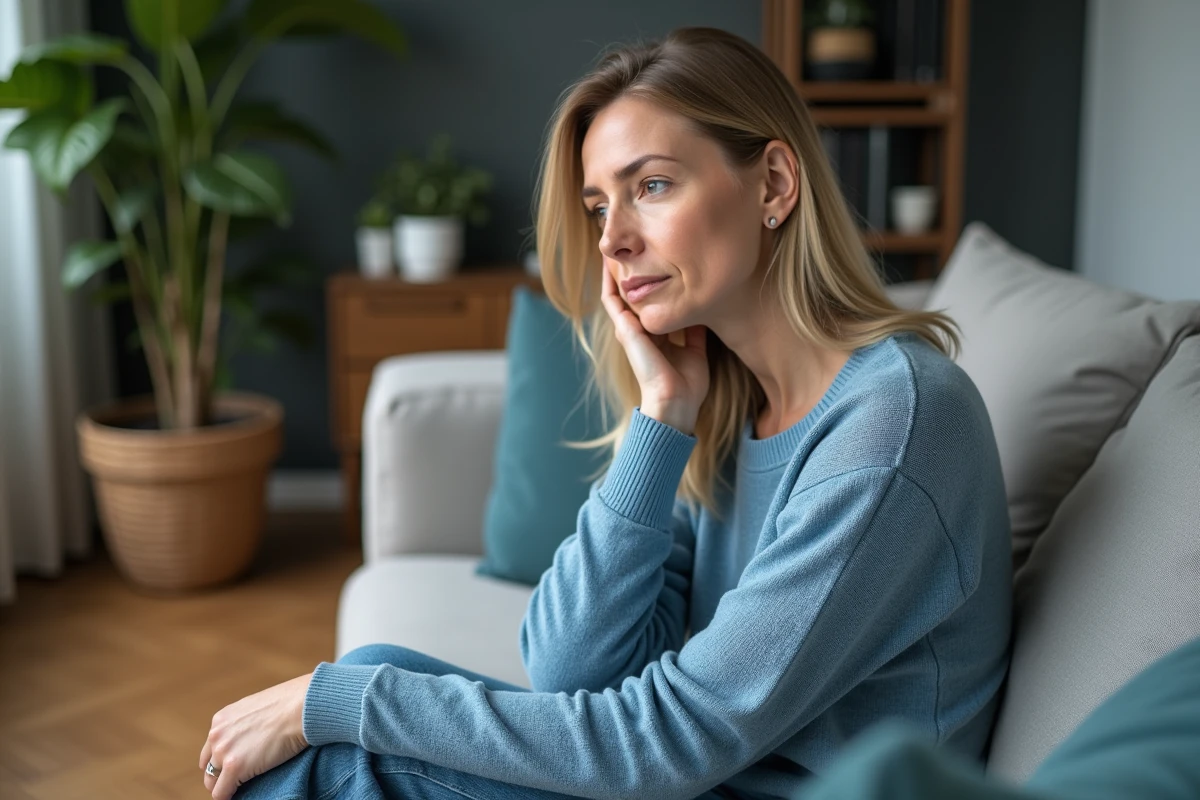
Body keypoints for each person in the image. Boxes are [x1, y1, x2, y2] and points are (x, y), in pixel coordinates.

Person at [199, 26, 1012, 800]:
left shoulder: (894, 425)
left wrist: (337, 701)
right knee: (373, 674)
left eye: (651, 186)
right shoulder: (737, 410)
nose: (614, 240)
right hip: (713, 779)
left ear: (773, 184)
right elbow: (568, 667)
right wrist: (661, 419)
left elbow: (674, 739)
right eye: (598, 207)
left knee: (344, 752)